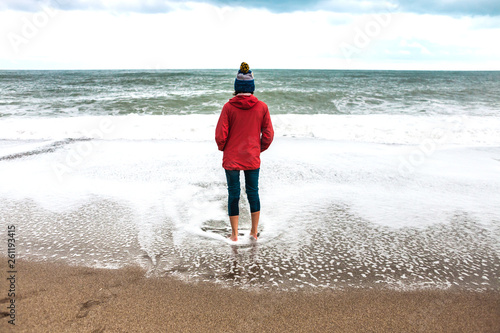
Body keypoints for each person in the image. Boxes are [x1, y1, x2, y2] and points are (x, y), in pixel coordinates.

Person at [215, 62, 274, 242]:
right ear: (252, 87)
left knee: (233, 194)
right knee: (253, 192)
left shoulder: (228, 107)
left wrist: (224, 148)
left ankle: (234, 235)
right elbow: (269, 135)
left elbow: (220, 135)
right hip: (251, 157)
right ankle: (254, 232)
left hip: (232, 158)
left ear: (236, 87)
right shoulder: (262, 107)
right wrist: (258, 149)